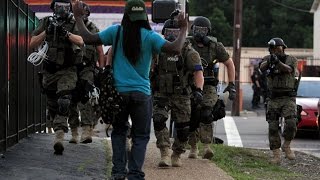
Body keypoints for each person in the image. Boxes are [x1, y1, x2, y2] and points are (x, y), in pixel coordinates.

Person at [72, 0, 188, 179]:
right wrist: (183, 29)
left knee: (119, 132)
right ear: (144, 16)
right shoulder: (150, 36)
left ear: (126, 15)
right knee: (141, 136)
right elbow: (175, 48)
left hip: (117, 94)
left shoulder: (116, 32)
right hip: (142, 94)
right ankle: (135, 174)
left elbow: (88, 38)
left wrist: (78, 17)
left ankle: (118, 172)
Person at [30, 0, 84, 155]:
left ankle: (59, 137)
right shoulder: (46, 22)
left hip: (67, 70)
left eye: (66, 7)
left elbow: (80, 41)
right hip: (50, 71)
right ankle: (58, 131)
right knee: (53, 106)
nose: (62, 10)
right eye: (59, 6)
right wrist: (46, 32)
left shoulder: (73, 23)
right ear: (54, 8)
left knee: (64, 100)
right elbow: (32, 43)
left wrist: (65, 34)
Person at [151, 19, 204, 167]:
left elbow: (198, 73)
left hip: (181, 94)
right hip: (162, 92)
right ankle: (165, 152)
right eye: (169, 33)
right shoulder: (158, 49)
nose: (172, 36)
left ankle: (177, 153)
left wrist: (199, 90)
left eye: (176, 32)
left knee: (183, 128)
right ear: (164, 33)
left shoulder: (189, 52)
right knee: (159, 119)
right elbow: (149, 68)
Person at [187, 16, 236, 159]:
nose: (200, 33)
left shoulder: (215, 46)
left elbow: (229, 64)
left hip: (209, 85)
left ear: (208, 31)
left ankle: (207, 146)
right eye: (197, 29)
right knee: (192, 114)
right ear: (192, 30)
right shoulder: (187, 44)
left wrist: (231, 85)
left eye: (203, 30)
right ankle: (193, 146)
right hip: (190, 85)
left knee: (207, 113)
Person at [68, 2, 104, 144]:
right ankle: (74, 130)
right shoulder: (70, 26)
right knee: (69, 98)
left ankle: (87, 130)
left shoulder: (92, 28)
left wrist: (101, 70)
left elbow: (100, 51)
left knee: (86, 97)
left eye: (83, 12)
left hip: (87, 68)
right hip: (70, 68)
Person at [259, 37, 298, 164]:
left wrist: (278, 63)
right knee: (273, 127)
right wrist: (270, 60)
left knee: (291, 122)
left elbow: (288, 69)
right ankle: (276, 155)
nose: (277, 51)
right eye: (274, 49)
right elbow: (262, 68)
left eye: (279, 48)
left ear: (283, 48)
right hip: (273, 98)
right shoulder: (267, 58)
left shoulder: (291, 59)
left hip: (288, 97)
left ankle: (286, 145)